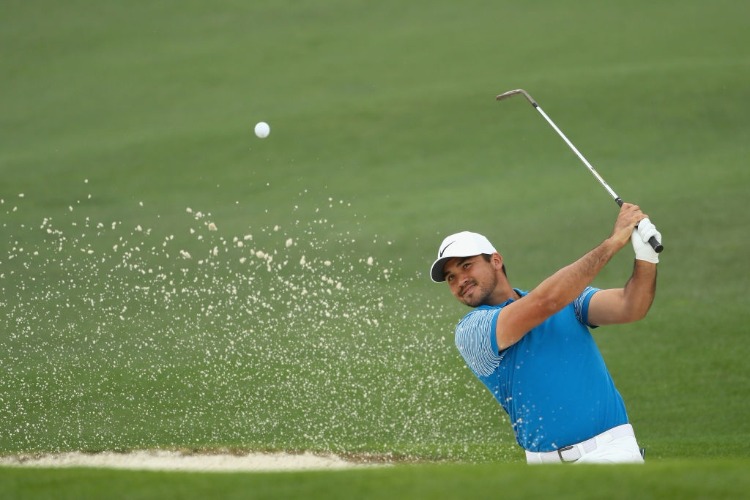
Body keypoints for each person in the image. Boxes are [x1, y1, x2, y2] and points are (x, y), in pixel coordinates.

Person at [430, 203, 661, 464]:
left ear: (495, 260)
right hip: (544, 467)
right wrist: (612, 243)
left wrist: (646, 258)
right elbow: (545, 302)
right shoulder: (472, 331)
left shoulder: (570, 301)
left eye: (466, 266)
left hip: (611, 452)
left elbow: (631, 307)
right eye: (450, 277)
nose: (460, 280)